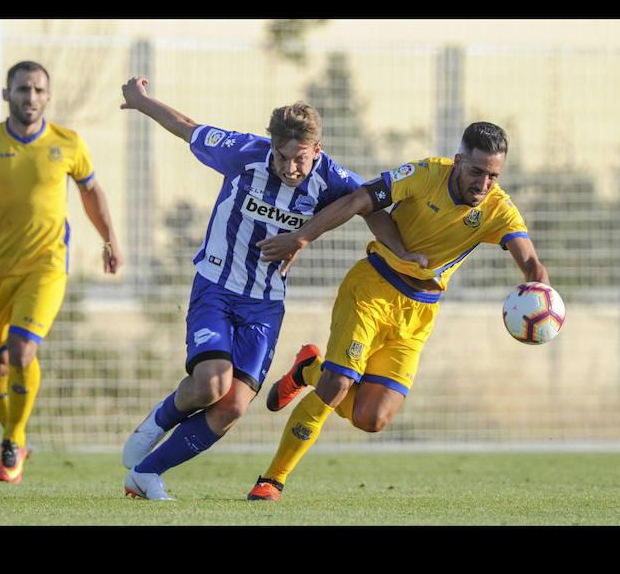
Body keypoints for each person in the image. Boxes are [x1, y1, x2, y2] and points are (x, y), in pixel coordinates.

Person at [117, 76, 406, 500]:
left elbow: (370, 205)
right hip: (216, 286)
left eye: (300, 160)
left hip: (266, 304)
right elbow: (187, 126)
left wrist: (402, 251)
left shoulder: (330, 179)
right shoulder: (244, 153)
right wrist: (142, 102)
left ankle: (145, 475)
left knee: (232, 406)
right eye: (282, 156)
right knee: (210, 385)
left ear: (317, 151)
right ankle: (158, 421)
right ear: (271, 146)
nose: (290, 168)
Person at [247, 121, 549, 500]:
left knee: (371, 420)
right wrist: (301, 236)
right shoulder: (425, 174)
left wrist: (542, 294)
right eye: (476, 171)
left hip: (418, 315)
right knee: (338, 385)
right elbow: (359, 200)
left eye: (493, 175)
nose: (483, 184)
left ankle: (309, 369)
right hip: (372, 289)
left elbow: (531, 262)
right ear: (458, 161)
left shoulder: (497, 209)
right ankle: (272, 479)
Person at [0, 61, 124, 483]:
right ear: (7, 95)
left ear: (49, 96)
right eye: (23, 89)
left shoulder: (68, 143)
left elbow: (91, 191)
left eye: (39, 90)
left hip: (47, 265)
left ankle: (13, 437)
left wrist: (110, 240)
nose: (31, 97)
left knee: (23, 349)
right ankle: (15, 438)